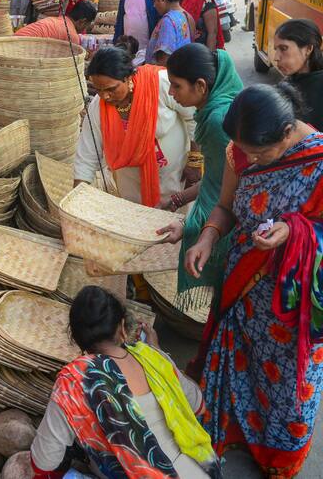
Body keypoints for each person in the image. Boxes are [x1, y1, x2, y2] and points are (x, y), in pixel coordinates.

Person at [184, 83, 323, 477]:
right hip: (243, 288)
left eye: (260, 153)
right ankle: (233, 434)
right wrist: (208, 236)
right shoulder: (239, 152)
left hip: (293, 302)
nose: (250, 159)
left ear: (286, 133)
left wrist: (294, 232)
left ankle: (280, 458)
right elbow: (226, 207)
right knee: (238, 363)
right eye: (244, 151)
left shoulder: (318, 161)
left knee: (289, 388)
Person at [30, 286, 221, 479]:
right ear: (122, 327)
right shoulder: (153, 357)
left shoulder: (75, 379)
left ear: (78, 339)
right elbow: (197, 405)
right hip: (200, 471)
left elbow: (44, 462)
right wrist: (159, 352)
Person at [156, 44, 243, 317]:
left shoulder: (218, 121)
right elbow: (217, 178)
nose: (171, 93)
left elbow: (226, 189)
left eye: (177, 86)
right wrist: (180, 200)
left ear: (201, 86)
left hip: (229, 226)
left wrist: (193, 226)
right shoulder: (214, 111)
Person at [74, 47, 196, 207]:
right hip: (132, 192)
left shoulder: (160, 83)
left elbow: (194, 117)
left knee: (179, 225)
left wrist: (195, 161)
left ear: (129, 78)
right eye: (99, 89)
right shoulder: (98, 107)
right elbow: (87, 156)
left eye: (111, 89)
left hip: (177, 180)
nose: (105, 96)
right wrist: (76, 201)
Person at [274, 19, 323, 129]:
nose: (276, 57)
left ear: (308, 49)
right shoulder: (286, 85)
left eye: (283, 48)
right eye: (276, 49)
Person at [113, 0, 161, 66]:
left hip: (147, 51)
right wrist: (116, 43)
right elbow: (120, 19)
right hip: (128, 50)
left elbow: (158, 18)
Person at [146, 0, 194, 65]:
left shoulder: (168, 21)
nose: (154, 5)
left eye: (154, 0)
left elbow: (164, 58)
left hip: (166, 73)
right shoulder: (184, 15)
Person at [14, 1, 97, 42]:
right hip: (20, 46)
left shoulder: (58, 20)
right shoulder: (71, 35)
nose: (85, 30)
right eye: (87, 25)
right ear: (82, 21)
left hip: (12, 40)